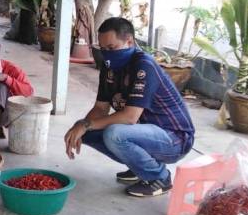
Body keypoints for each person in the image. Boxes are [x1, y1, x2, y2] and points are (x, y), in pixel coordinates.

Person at [64, 17, 195, 197]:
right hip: (144, 131)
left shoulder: (144, 65)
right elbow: (100, 108)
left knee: (114, 133)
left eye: (112, 48)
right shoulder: (109, 67)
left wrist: (87, 124)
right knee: (85, 130)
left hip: (174, 138)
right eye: (103, 49)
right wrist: (81, 126)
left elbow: (130, 117)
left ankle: (159, 178)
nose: (107, 54)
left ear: (130, 42)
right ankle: (139, 168)